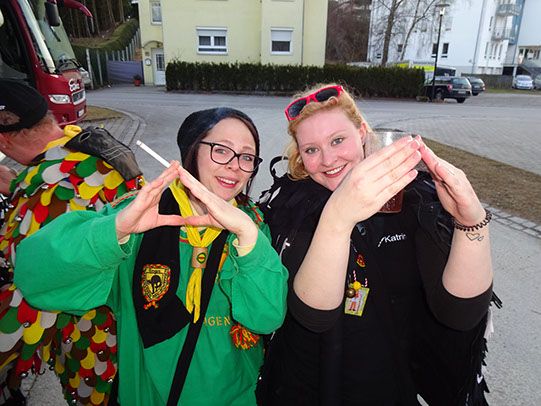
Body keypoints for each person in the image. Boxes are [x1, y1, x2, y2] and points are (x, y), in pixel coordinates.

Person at [13, 107, 289, 405]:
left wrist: (248, 238)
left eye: (247, 157)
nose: (235, 165)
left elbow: (266, 319)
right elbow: (36, 278)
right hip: (147, 395)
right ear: (191, 152)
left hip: (234, 396)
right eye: (221, 150)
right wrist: (115, 231)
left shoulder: (252, 228)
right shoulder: (140, 216)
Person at [257, 83, 494, 405]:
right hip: (310, 386)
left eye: (337, 140)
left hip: (393, 384)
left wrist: (470, 220)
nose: (327, 159)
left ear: (362, 134)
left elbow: (460, 314)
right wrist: (337, 218)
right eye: (311, 150)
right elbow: (313, 316)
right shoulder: (292, 213)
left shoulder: (414, 202)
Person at [0, 79, 144, 405]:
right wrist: (20, 184)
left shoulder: (52, 191)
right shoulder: (87, 146)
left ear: (4, 140)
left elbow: (32, 293)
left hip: (95, 344)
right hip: (129, 324)